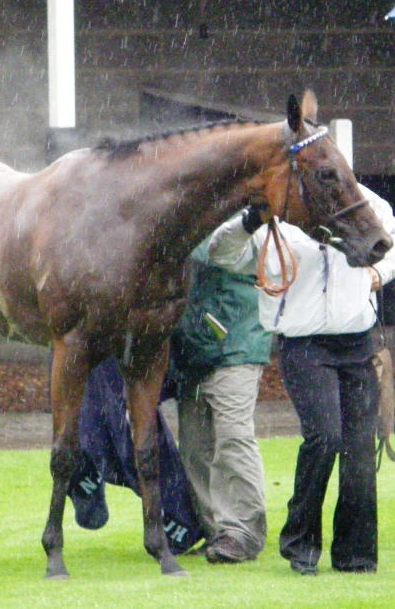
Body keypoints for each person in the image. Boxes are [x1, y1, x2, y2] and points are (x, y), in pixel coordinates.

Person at [207, 184, 395, 575]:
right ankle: (300, 543)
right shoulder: (274, 213)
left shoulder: (361, 199)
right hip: (304, 344)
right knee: (325, 437)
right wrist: (250, 219)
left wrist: (379, 273)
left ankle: (356, 556)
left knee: (359, 452)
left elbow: (390, 238)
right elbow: (222, 252)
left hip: (358, 341)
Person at [168, 236, 272, 564]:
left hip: (238, 342)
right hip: (195, 345)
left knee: (233, 436)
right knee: (195, 445)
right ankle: (216, 530)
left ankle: (244, 531)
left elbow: (208, 248)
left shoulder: (247, 220)